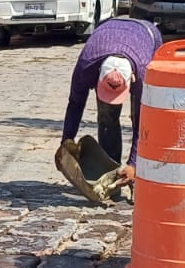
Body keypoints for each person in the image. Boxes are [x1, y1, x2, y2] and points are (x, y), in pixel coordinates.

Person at [59, 16, 163, 178]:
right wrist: (66, 143)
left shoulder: (144, 71)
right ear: (99, 73)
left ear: (132, 78)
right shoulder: (87, 63)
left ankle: (141, 174)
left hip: (147, 33)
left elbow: (145, 123)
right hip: (106, 30)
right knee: (107, 116)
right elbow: (75, 103)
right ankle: (110, 172)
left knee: (140, 115)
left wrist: (134, 164)